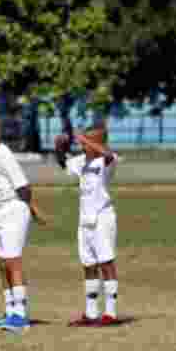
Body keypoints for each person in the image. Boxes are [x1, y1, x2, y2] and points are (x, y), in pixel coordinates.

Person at [0, 118, 47, 333]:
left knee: (12, 261)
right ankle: (9, 311)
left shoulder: (4, 155)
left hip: (12, 210)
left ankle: (20, 315)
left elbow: (24, 187)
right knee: (2, 262)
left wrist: (32, 210)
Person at [55, 126, 121, 326]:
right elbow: (63, 163)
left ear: (100, 142)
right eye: (83, 142)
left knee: (106, 263)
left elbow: (107, 154)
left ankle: (110, 313)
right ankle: (91, 313)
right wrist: (59, 147)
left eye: (88, 141)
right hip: (85, 219)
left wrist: (84, 138)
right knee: (88, 264)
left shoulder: (108, 160)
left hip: (103, 217)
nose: (83, 145)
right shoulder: (81, 161)